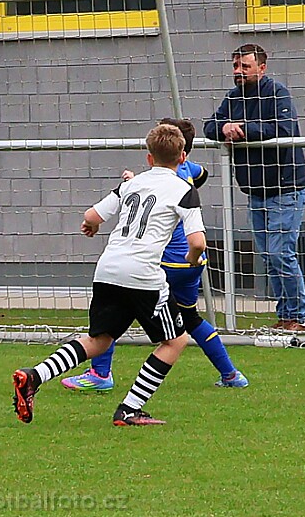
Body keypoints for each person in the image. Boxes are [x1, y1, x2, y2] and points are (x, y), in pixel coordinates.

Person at [12, 124, 207, 427]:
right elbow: (198, 242)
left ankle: (34, 376)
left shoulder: (131, 184)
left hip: (108, 270)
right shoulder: (184, 190)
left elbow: (91, 216)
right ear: (183, 157)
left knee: (99, 340)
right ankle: (129, 409)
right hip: (143, 274)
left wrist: (93, 226)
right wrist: (192, 260)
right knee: (175, 341)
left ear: (149, 158)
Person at [61, 117, 247, 391]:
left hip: (166, 261)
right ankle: (231, 374)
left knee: (115, 310)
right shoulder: (189, 171)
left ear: (152, 155)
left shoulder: (159, 181)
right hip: (192, 263)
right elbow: (202, 175)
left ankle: (100, 374)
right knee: (190, 318)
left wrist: (133, 182)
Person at [203, 44, 305, 331]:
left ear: (262, 68)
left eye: (245, 66)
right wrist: (224, 128)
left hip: (286, 187)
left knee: (280, 253)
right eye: (235, 66)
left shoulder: (277, 94)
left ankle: (299, 316)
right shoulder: (233, 97)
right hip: (255, 191)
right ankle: (285, 315)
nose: (238, 72)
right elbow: (210, 126)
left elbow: (283, 129)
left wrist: (241, 129)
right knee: (269, 257)